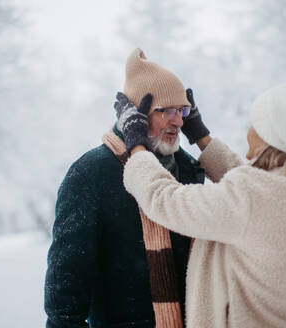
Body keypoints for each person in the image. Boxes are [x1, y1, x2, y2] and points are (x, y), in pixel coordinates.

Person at [119, 84, 286, 327]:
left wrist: (136, 145)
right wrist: (202, 137)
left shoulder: (250, 198)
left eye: (256, 124)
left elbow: (165, 200)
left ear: (271, 137)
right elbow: (255, 192)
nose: (249, 131)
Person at [44, 48, 205, 328]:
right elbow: (65, 299)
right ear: (137, 114)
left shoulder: (190, 170)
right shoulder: (91, 174)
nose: (178, 121)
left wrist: (204, 140)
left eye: (182, 110)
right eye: (165, 110)